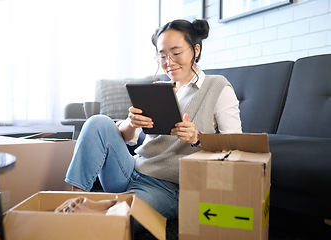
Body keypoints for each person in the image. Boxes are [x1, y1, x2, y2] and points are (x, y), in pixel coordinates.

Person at [64, 19, 242, 232]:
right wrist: (131, 123)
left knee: (121, 220)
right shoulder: (158, 89)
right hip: (131, 169)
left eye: (176, 53)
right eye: (163, 55)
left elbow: (236, 145)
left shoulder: (218, 87)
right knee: (98, 122)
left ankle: (108, 206)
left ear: (195, 50)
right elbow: (127, 137)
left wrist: (198, 138)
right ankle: (74, 199)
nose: (169, 62)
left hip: (169, 188)